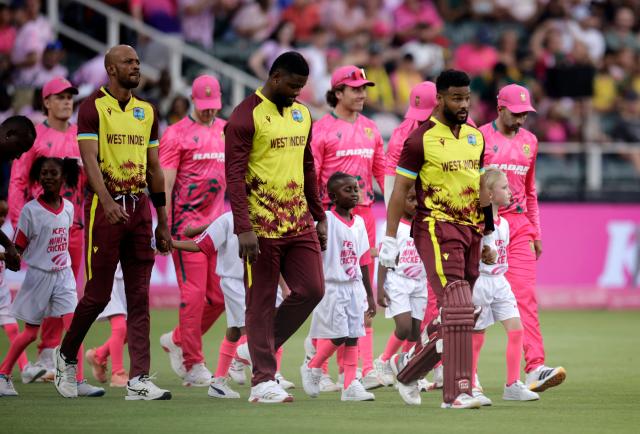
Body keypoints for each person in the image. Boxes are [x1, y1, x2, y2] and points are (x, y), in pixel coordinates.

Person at [54, 45, 172, 401]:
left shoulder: (146, 111)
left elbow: (154, 168)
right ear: (110, 68)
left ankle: (138, 380)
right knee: (98, 294)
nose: (136, 67)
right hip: (104, 208)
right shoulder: (93, 107)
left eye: (137, 62)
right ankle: (65, 360)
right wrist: (105, 202)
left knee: (139, 297)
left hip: (139, 209)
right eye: (128, 62)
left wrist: (162, 220)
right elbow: (89, 160)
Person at [380, 69, 492, 409]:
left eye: (467, 97)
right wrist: (389, 238)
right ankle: (457, 392)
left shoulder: (475, 137)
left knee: (463, 312)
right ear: (439, 99)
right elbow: (400, 190)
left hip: (470, 230)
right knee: (457, 307)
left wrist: (487, 234)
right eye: (456, 98)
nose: (463, 104)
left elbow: (482, 186)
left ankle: (409, 368)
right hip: (435, 229)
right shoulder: (420, 140)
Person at [225, 51, 327, 404]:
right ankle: (262, 381)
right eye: (293, 85)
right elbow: (234, 176)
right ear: (275, 76)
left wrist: (319, 213)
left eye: (302, 87)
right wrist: (243, 228)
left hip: (298, 220)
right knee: (261, 302)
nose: (297, 93)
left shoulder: (302, 114)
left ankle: (251, 352)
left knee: (312, 289)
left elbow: (308, 165)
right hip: (260, 226)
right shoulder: (245, 116)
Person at [479, 84, 566, 392]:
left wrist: (536, 232)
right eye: (515, 114)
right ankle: (446, 367)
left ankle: (534, 368)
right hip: (484, 224)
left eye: (525, 115)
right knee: (471, 303)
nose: (520, 121)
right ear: (499, 108)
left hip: (518, 227)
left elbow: (529, 191)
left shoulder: (530, 141)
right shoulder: (479, 138)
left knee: (525, 297)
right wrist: (481, 227)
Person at [0, 157, 103, 398]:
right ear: (37, 177)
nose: (47, 177)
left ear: (63, 178)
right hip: (39, 277)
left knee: (74, 327)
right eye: (43, 173)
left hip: (63, 276)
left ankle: (77, 380)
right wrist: (8, 257)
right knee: (30, 334)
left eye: (52, 173)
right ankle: (4, 374)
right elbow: (19, 248)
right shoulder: (30, 211)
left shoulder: (68, 207)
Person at [310, 64, 385, 390]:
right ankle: (318, 364)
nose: (362, 94)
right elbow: (311, 177)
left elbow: (384, 175)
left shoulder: (371, 129)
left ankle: (363, 369)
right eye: (355, 89)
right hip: (330, 218)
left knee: (361, 291)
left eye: (364, 88)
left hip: (364, 217)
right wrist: (314, 217)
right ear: (337, 92)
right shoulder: (322, 129)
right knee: (328, 291)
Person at [8, 77, 84, 381]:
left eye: (70, 97)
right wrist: (18, 226)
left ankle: (49, 353)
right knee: (43, 292)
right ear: (46, 102)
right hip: (43, 228)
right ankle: (39, 352)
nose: (67, 102)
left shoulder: (82, 136)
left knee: (66, 293)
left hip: (75, 227)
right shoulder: (34, 138)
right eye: (61, 96)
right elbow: (18, 181)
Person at [172, 212, 295, 399]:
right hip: (235, 281)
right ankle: (265, 377)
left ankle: (219, 381)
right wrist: (171, 243)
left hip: (264, 278)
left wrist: (284, 287)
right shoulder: (228, 219)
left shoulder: (269, 215)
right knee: (253, 329)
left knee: (239, 330)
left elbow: (273, 257)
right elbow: (201, 244)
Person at [158, 74, 227, 387]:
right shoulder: (175, 135)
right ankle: (193, 362)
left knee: (219, 298)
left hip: (216, 230)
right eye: (204, 106)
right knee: (194, 295)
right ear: (193, 101)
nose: (210, 112)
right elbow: (166, 183)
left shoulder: (227, 131)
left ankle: (176, 339)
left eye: (214, 106)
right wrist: (165, 225)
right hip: (186, 229)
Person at [300, 172, 376, 402]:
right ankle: (312, 366)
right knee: (339, 335)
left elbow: (362, 260)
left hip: (354, 287)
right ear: (332, 196)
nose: (354, 193)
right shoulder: (324, 220)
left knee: (353, 335)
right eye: (348, 190)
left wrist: (369, 295)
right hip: (332, 287)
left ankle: (350, 385)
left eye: (356, 189)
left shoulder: (360, 222)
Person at [470, 168, 540, 405]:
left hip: (500, 281)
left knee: (517, 329)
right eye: (504, 187)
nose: (510, 192)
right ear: (488, 194)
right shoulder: (479, 221)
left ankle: (512, 384)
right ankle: (471, 383)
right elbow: (471, 249)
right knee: (477, 335)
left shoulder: (506, 224)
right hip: (481, 283)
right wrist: (481, 254)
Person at [374, 185, 427, 387]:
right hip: (398, 281)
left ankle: (406, 369)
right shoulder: (394, 227)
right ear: (400, 200)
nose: (415, 204)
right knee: (403, 327)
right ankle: (384, 360)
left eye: (418, 200)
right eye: (411, 199)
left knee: (415, 332)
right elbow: (384, 258)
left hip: (419, 283)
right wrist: (380, 288)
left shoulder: (423, 226)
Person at [0, 199, 43, 384]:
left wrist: (13, 254)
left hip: (1, 294)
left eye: (4, 215)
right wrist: (9, 255)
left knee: (12, 326)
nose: (2, 219)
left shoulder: (7, 234)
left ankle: (25, 368)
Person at [85, 263, 129, 388]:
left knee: (132, 330)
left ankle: (98, 355)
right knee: (120, 326)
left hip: (127, 275)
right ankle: (117, 373)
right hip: (107, 272)